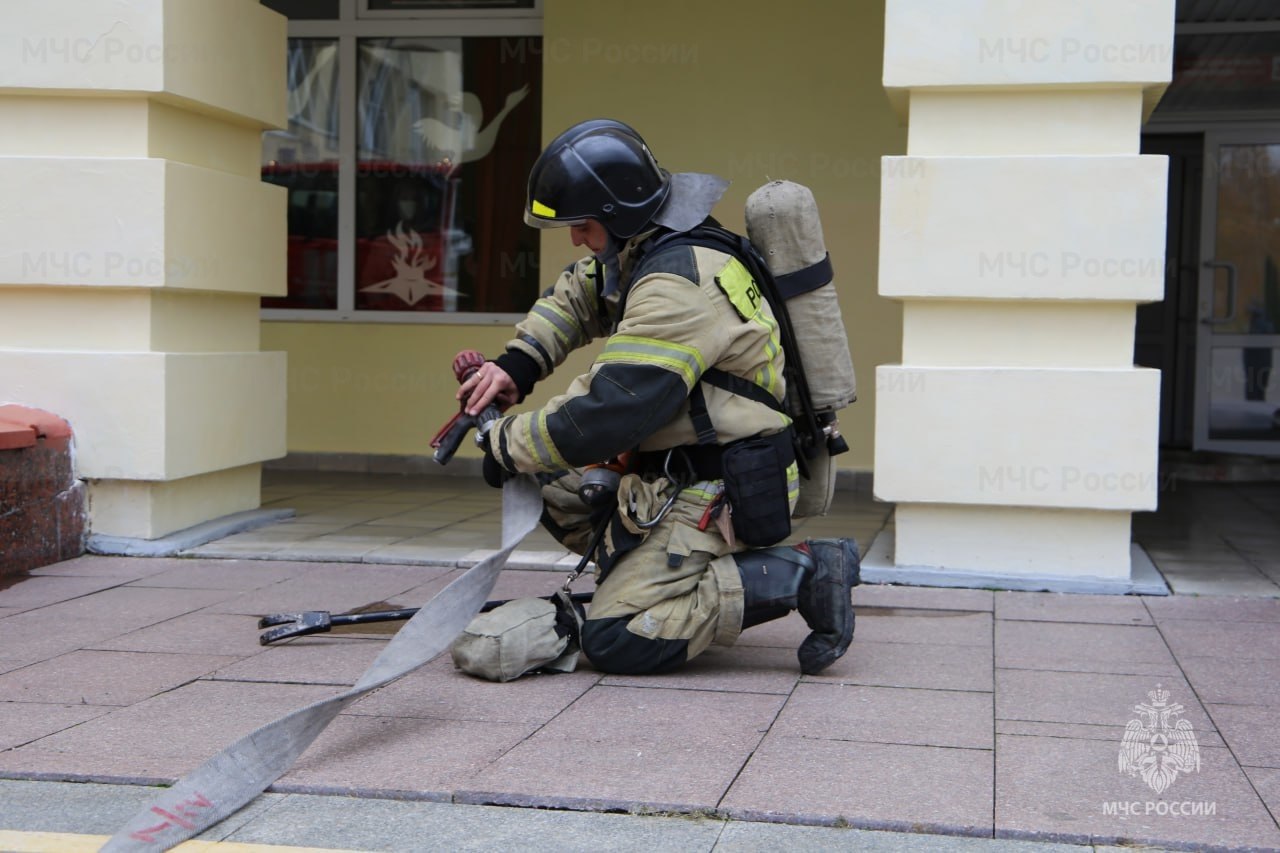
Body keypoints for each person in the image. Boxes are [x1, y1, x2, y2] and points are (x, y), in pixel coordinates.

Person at [458, 119, 858, 676]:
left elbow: (608, 412)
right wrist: (515, 367)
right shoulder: (653, 248)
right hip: (678, 469)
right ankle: (647, 570)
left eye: (583, 225)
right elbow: (578, 293)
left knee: (619, 637)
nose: (576, 237)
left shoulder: (678, 285)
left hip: (724, 483)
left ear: (619, 213)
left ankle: (805, 571)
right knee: (542, 480)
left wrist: (503, 441)